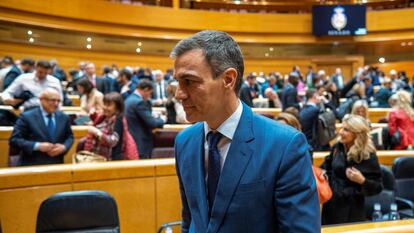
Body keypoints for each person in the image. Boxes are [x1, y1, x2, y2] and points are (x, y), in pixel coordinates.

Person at [171, 30, 319, 233]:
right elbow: (190, 220)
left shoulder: (284, 145)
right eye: (177, 82)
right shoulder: (184, 142)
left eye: (189, 81)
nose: (179, 94)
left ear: (228, 79)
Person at [321, 114, 382, 225]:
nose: (340, 132)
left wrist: (362, 180)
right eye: (342, 128)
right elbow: (326, 166)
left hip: (352, 208)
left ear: (357, 134)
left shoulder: (368, 155)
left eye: (346, 130)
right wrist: (324, 176)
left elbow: (377, 187)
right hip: (332, 203)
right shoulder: (337, 147)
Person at [9, 88, 74, 166]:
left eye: (58, 101)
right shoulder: (27, 117)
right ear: (42, 100)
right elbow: (14, 140)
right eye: (53, 100)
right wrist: (37, 146)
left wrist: (64, 147)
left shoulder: (63, 117)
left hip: (56, 165)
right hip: (32, 166)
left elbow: (70, 137)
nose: (56, 104)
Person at [81, 92, 136, 160]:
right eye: (104, 104)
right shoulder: (104, 117)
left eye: (109, 105)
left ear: (117, 107)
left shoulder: (118, 120)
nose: (105, 107)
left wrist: (96, 132)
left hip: (111, 160)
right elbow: (102, 127)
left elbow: (113, 141)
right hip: (99, 157)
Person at [125, 79, 165, 158]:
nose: (149, 96)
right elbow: (152, 123)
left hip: (131, 140)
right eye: (150, 93)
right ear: (146, 90)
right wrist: (162, 120)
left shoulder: (128, 99)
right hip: (140, 143)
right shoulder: (139, 102)